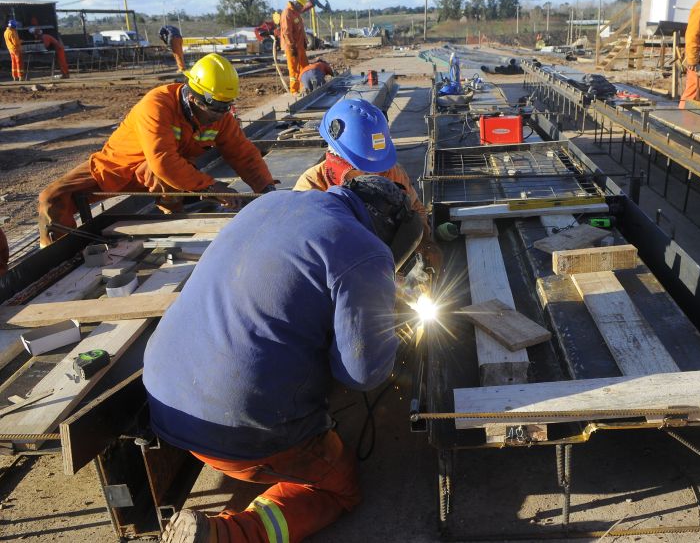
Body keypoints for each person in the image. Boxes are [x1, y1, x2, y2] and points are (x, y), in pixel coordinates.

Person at [147, 175, 423, 543]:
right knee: (338, 487)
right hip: (234, 431)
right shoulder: (365, 249)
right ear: (390, 231)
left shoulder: (273, 203)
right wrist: (386, 328)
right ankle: (227, 534)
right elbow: (363, 375)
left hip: (165, 400)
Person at [37, 53, 275, 247]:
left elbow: (243, 153)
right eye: (214, 111)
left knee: (161, 171)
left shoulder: (219, 115)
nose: (220, 117)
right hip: (117, 168)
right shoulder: (157, 105)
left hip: (162, 176)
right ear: (194, 98)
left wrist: (267, 190)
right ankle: (65, 253)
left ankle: (176, 221)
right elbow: (163, 160)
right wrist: (212, 187)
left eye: (226, 109)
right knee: (52, 198)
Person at [293, 98, 443, 273]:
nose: (376, 175)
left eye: (377, 168)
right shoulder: (311, 187)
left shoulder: (390, 171)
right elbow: (306, 251)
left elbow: (416, 208)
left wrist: (425, 241)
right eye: (365, 170)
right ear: (340, 158)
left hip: (387, 262)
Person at [280, 0, 328, 95]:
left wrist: (305, 41)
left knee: (305, 67)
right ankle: (294, 91)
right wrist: (292, 47)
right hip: (292, 47)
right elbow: (286, 32)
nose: (302, 7)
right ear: (296, 3)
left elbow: (300, 30)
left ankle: (304, 87)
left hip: (300, 45)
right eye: (301, 5)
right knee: (294, 70)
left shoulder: (296, 12)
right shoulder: (287, 13)